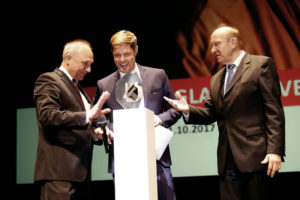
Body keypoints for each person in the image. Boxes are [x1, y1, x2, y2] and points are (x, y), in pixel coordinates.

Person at [164, 24, 285, 200]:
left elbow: (274, 111)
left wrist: (275, 150)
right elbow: (211, 113)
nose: (213, 50)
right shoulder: (216, 78)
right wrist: (188, 109)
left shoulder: (261, 65)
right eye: (212, 45)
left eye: (217, 44)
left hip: (257, 157)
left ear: (233, 42)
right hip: (226, 160)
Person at [94, 30, 181, 200]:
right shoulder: (103, 84)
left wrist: (160, 119)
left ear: (136, 50)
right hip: (123, 159)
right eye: (117, 55)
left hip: (156, 157)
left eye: (127, 54)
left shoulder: (158, 75)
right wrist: (105, 128)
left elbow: (176, 108)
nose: (122, 60)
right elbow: (97, 118)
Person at [33, 39, 111, 200]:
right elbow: (48, 115)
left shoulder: (76, 87)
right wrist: (87, 116)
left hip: (79, 174)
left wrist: (95, 133)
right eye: (85, 63)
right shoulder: (49, 80)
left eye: (91, 64)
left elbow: (77, 124)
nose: (89, 70)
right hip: (59, 174)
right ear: (68, 58)